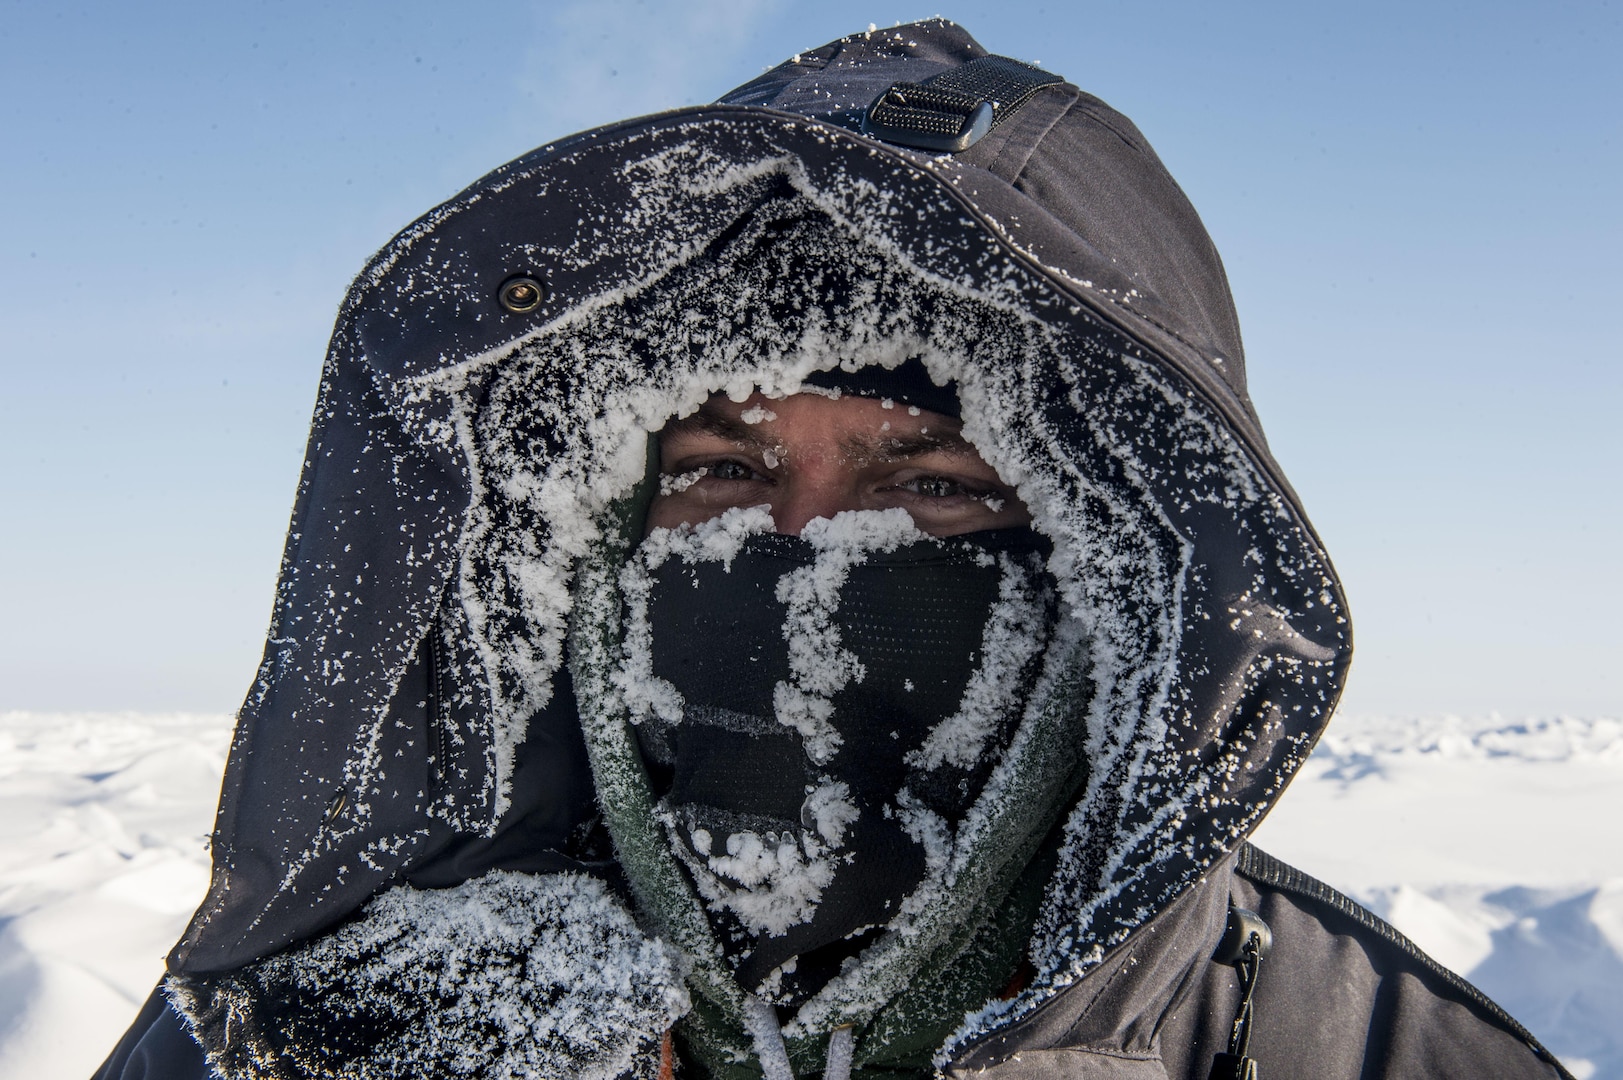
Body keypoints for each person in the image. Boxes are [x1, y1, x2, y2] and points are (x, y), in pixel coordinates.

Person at [94, 19, 1571, 1080]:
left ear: (1112, 571)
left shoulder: (1356, 1047)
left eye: (927, 479)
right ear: (595, 539)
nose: (797, 553)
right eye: (722, 470)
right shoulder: (328, 1030)